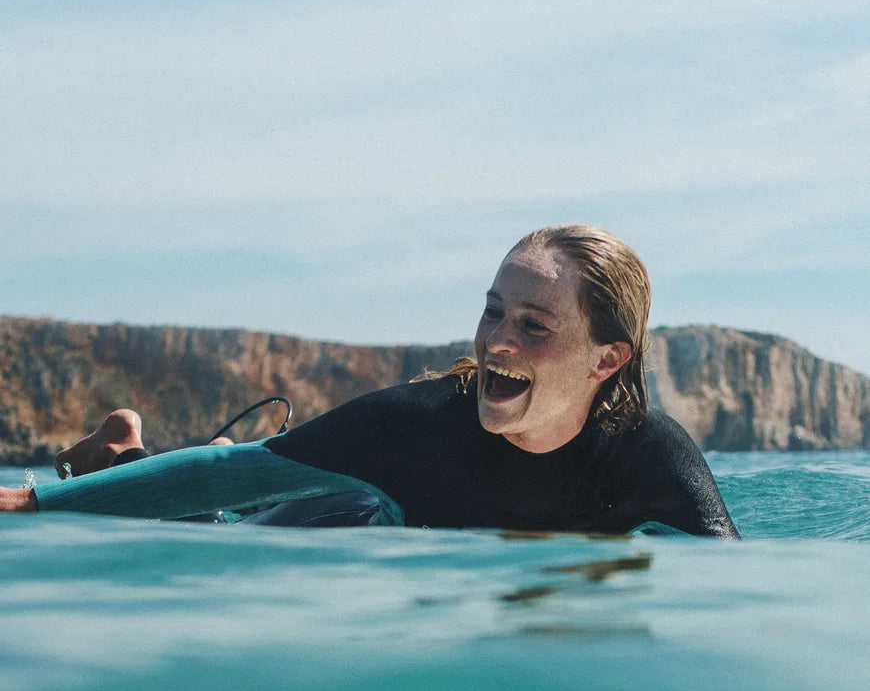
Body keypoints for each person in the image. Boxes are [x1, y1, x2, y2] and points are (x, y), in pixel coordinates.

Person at [0, 225, 738, 537]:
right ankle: (123, 456)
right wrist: (32, 502)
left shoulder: (647, 453)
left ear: (605, 360)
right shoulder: (411, 425)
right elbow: (223, 474)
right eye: (493, 313)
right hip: (349, 516)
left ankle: (124, 451)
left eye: (534, 327)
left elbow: (734, 588)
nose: (497, 343)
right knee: (229, 536)